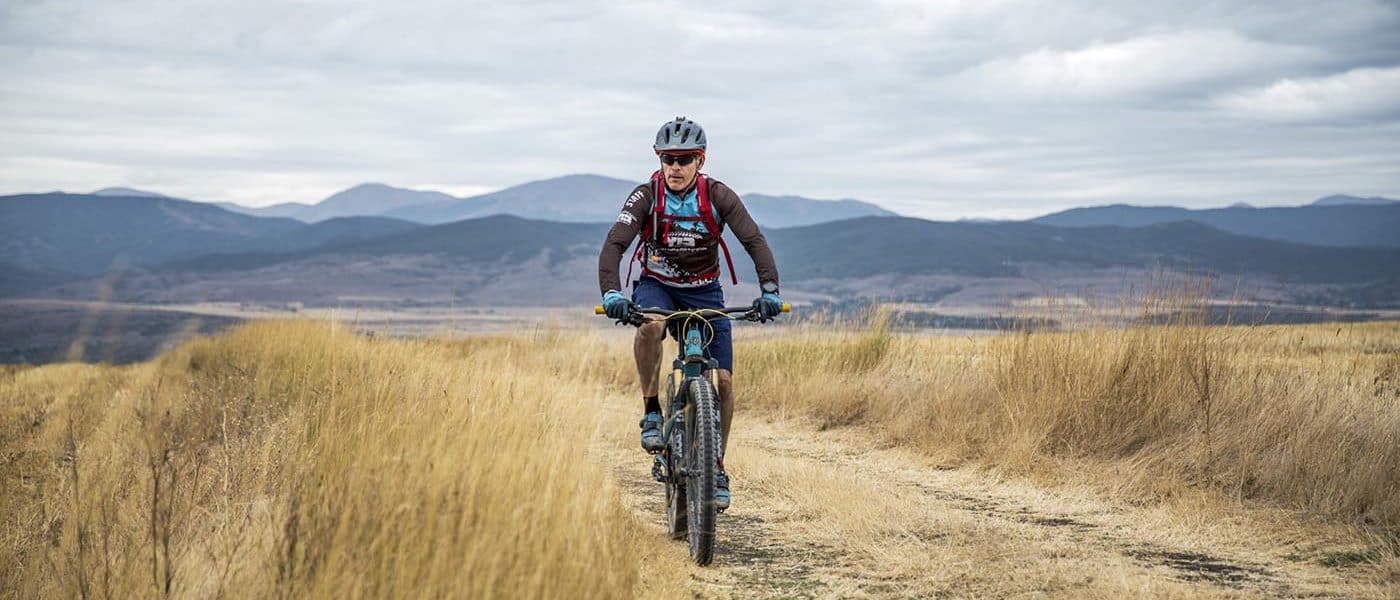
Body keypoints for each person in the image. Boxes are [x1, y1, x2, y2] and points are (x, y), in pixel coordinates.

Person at [598, 116, 783, 510]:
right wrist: (612, 292)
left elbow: (753, 240)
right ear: (660, 160)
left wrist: (769, 289)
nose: (675, 167)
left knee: (724, 382)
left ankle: (717, 466)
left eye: (684, 159)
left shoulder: (718, 195)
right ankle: (652, 410)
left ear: (700, 160)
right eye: (667, 159)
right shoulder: (646, 196)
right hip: (658, 287)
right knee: (651, 326)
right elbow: (615, 244)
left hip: (705, 292)